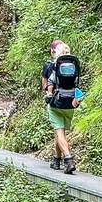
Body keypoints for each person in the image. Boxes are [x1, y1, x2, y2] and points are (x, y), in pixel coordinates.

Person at [43, 40, 82, 175]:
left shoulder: (55, 65)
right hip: (70, 103)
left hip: (57, 102)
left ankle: (68, 159)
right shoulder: (74, 66)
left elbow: (49, 82)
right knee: (60, 133)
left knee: (59, 133)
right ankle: (56, 160)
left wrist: (49, 93)